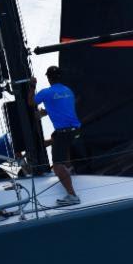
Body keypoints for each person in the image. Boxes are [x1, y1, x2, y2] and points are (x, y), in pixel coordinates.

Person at [28, 65, 82, 205]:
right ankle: (70, 170)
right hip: (76, 131)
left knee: (57, 166)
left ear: (48, 78)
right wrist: (45, 112)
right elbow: (61, 106)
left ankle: (72, 195)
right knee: (60, 143)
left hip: (63, 132)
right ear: (60, 77)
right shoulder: (68, 90)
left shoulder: (46, 92)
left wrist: (32, 85)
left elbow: (30, 102)